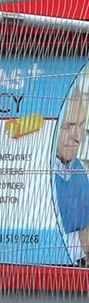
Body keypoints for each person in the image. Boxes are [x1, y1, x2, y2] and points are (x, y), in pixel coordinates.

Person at [53, 84, 89, 266]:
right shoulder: (39, 175)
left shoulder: (80, 168)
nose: (78, 137)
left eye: (81, 125)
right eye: (68, 126)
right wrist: (81, 241)